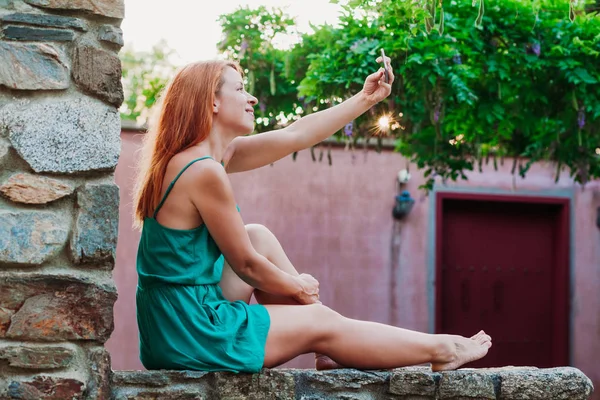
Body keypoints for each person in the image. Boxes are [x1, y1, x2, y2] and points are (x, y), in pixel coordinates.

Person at [132, 56, 492, 373]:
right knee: (317, 317)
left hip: (172, 320)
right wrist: (298, 285)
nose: (252, 98)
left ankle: (331, 344)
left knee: (258, 235)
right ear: (211, 100)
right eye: (241, 89)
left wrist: (365, 99)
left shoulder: (207, 159)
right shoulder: (202, 170)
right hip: (190, 328)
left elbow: (295, 135)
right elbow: (247, 266)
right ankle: (441, 348)